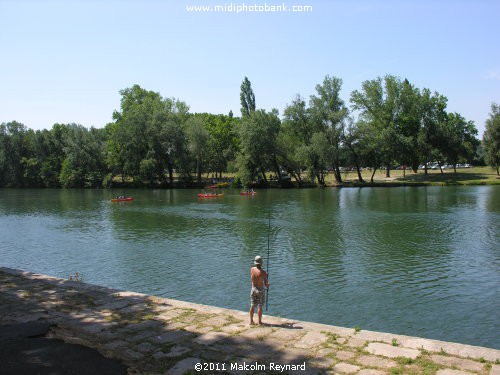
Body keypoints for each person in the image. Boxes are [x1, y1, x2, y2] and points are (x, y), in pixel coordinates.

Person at [249, 255, 269, 325]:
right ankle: (259, 322)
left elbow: (255, 275)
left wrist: (265, 275)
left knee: (252, 305)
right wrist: (266, 278)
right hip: (260, 290)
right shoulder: (263, 272)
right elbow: (266, 284)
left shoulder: (252, 269)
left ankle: (251, 321)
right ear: (261, 263)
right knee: (260, 306)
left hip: (253, 289)